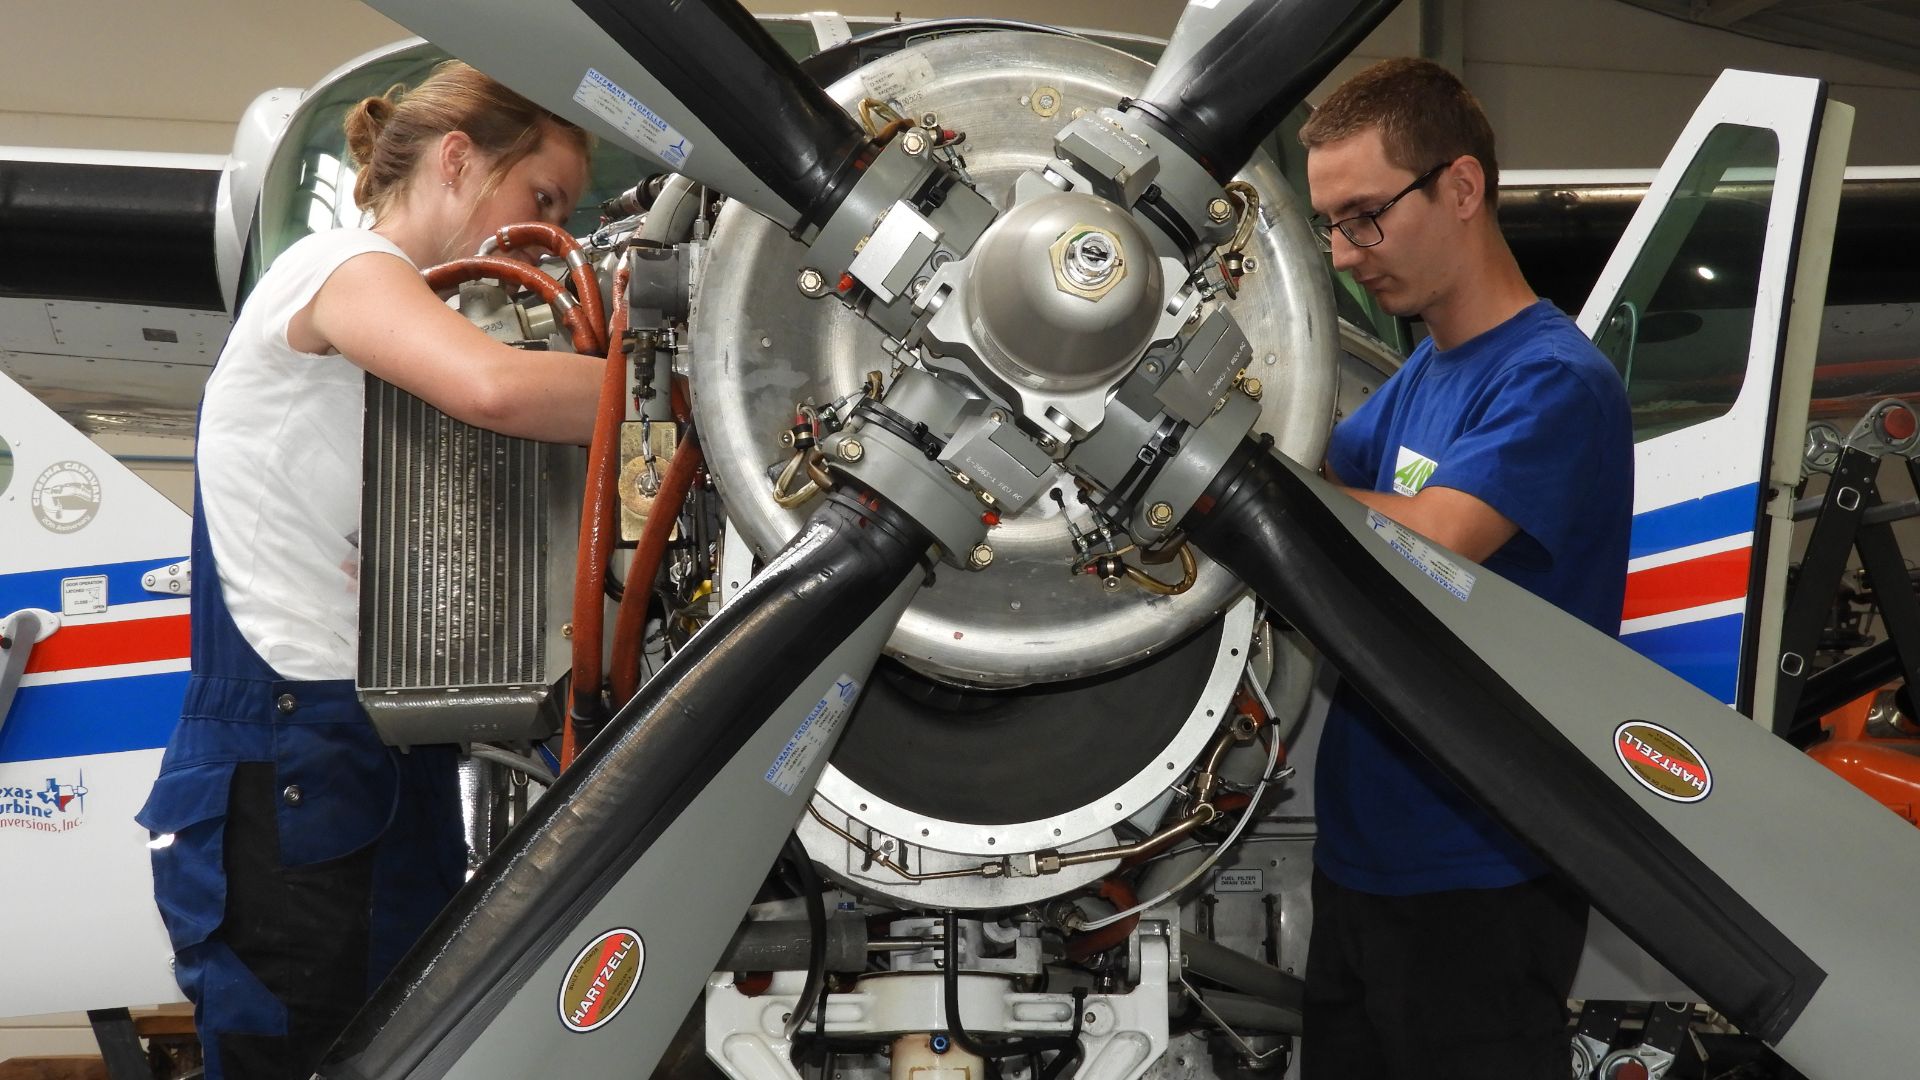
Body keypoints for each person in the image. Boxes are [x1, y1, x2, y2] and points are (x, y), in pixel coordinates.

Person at [136, 61, 603, 1080]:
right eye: (543, 199)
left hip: (377, 761)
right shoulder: (335, 268)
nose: (549, 231)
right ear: (457, 158)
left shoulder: (400, 339)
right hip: (289, 763)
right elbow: (493, 389)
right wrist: (694, 387)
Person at [1297, 58, 1633, 1078]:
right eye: (1330, 226)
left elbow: (1429, 537)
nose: (1348, 254)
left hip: (1481, 870)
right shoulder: (1412, 385)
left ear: (1461, 187)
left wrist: (1227, 483)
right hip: (1363, 864)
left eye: (1365, 217)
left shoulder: (1554, 381)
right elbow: (1316, 505)